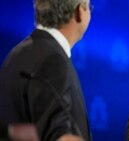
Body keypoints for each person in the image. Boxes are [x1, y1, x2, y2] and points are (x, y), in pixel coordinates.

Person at [0, 0, 92, 140]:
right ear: (79, 12)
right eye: (89, 6)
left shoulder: (17, 53)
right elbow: (57, 135)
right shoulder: (53, 60)